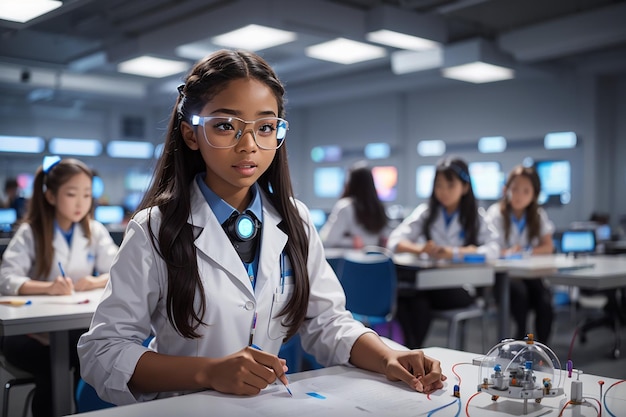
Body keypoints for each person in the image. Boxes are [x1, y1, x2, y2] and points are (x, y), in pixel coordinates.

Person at [77, 49, 446, 406]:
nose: (249, 145)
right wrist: (208, 373)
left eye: (266, 127)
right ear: (191, 134)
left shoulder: (295, 220)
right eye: (225, 126)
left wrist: (387, 358)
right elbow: (103, 353)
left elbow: (326, 322)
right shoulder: (154, 228)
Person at [0, 156, 119, 417]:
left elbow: (118, 268)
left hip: (74, 329)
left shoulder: (94, 229)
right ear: (51, 196)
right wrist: (46, 287)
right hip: (29, 335)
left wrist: (94, 280)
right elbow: (6, 279)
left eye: (87, 194)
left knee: (91, 359)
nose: (80, 203)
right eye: (72, 194)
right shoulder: (31, 231)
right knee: (52, 367)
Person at [386, 156, 499, 349]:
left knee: (415, 294)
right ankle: (413, 352)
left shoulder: (475, 216)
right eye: (439, 185)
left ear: (464, 187)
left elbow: (493, 251)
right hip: (429, 287)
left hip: (462, 287)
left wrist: (454, 253)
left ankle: (411, 351)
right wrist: (420, 249)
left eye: (450, 185)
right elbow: (394, 241)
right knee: (413, 299)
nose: (443, 191)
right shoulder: (427, 212)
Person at [485, 165, 555, 343]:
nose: (519, 195)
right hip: (505, 276)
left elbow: (548, 246)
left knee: (545, 302)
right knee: (520, 295)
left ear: (534, 195)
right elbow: (487, 247)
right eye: (514, 189)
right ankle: (518, 342)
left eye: (526, 191)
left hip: (529, 275)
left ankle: (542, 350)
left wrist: (527, 251)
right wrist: (507, 252)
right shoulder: (495, 214)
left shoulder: (537, 215)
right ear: (505, 190)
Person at [319, 161, 390, 248]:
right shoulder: (380, 207)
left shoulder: (345, 206)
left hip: (351, 259)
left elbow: (330, 240)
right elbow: (385, 238)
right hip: (377, 259)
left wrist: (352, 242)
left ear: (351, 183)